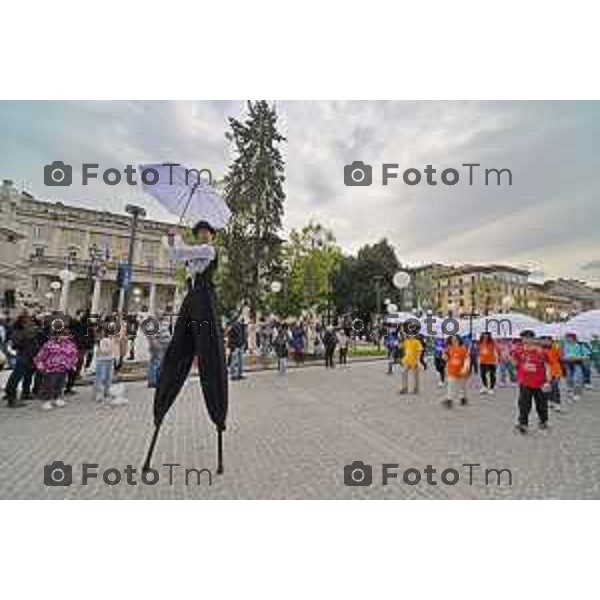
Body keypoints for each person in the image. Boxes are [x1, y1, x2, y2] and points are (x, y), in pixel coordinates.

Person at [152, 221, 228, 444]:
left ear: (212, 235)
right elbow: (176, 256)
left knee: (210, 352)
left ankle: (218, 413)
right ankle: (161, 407)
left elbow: (181, 251)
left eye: (206, 232)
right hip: (191, 301)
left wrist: (176, 237)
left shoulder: (209, 250)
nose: (202, 235)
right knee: (177, 348)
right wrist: (175, 240)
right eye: (199, 233)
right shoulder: (194, 257)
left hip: (205, 302)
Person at [34, 324, 79, 411]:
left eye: (66, 335)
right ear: (57, 334)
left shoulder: (69, 344)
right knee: (49, 385)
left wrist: (72, 364)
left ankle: (57, 398)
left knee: (60, 384)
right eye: (63, 334)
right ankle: (46, 400)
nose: (65, 337)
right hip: (50, 369)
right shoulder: (49, 344)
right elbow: (41, 355)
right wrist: (41, 366)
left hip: (63, 368)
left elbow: (73, 354)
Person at [513, 330, 551, 434]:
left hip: (540, 383)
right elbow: (516, 364)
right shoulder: (519, 351)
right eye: (524, 338)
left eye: (529, 338)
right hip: (525, 382)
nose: (526, 340)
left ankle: (543, 421)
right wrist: (508, 358)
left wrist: (548, 381)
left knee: (541, 404)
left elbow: (547, 367)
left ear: (533, 339)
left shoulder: (541, 352)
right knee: (523, 404)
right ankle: (523, 423)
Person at [3, 311, 39, 406]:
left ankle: (24, 393)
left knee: (24, 375)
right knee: (15, 377)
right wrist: (28, 335)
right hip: (22, 356)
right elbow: (16, 344)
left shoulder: (26, 331)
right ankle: (11, 398)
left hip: (28, 356)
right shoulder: (19, 331)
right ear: (23, 322)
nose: (30, 322)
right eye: (28, 321)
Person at [444, 335, 470, 408]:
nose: (454, 341)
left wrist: (464, 368)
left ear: (459, 340)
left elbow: (466, 359)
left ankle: (463, 398)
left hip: (461, 371)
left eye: (455, 340)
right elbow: (445, 359)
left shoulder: (463, 349)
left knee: (462, 386)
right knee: (450, 386)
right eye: (452, 340)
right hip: (451, 370)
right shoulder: (449, 348)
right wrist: (444, 353)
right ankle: (449, 400)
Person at [561, 332, 584, 401]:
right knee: (569, 379)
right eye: (566, 337)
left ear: (573, 338)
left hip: (577, 364)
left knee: (577, 379)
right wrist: (564, 358)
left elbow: (585, 356)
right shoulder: (565, 346)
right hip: (568, 364)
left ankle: (577, 393)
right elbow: (562, 356)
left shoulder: (580, 345)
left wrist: (576, 358)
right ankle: (570, 391)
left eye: (569, 337)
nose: (567, 339)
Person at [546, 337, 564, 412]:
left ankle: (557, 403)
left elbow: (561, 357)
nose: (546, 342)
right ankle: (550, 400)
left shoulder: (556, 347)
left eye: (548, 340)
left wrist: (560, 349)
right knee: (549, 386)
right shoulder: (541, 348)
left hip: (556, 370)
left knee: (555, 386)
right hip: (546, 370)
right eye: (545, 340)